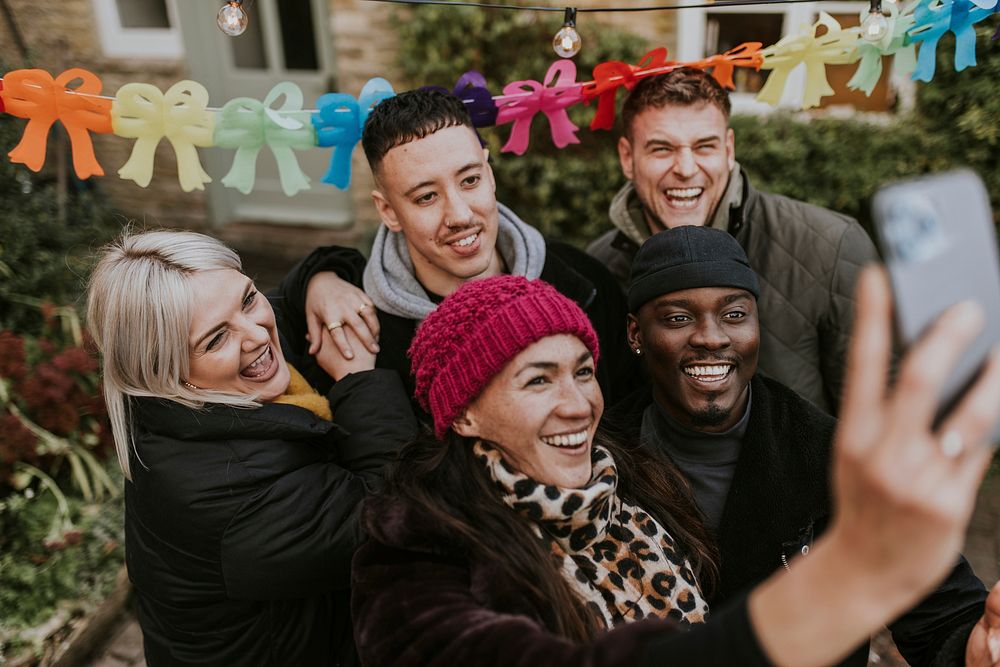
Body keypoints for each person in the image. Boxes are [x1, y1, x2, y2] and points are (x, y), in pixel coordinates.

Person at [351, 270, 1000, 666]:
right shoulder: (416, 545)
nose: (579, 404)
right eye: (537, 380)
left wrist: (971, 650)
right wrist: (836, 584)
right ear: (464, 415)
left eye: (582, 371)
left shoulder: (636, 483)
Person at [604, 225, 999, 666]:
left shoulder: (830, 453)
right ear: (636, 334)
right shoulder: (601, 459)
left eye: (734, 315)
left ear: (757, 325)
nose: (711, 337)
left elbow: (941, 609)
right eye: (678, 318)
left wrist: (975, 646)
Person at [86, 229, 417, 666]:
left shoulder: (187, 393)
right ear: (168, 371)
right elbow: (396, 513)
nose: (257, 333)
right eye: (216, 338)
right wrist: (359, 381)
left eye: (246, 298)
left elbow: (287, 302)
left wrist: (324, 280)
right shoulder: (227, 492)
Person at [272, 89, 636, 407]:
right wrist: (316, 278)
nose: (459, 215)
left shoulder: (582, 282)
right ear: (388, 211)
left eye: (470, 180)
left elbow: (628, 417)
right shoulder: (358, 333)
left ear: (490, 175)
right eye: (426, 197)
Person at [587, 67, 879, 413]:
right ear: (627, 157)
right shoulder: (599, 270)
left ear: (728, 148)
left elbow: (879, 417)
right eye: (662, 149)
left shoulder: (830, 248)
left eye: (704, 146)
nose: (685, 168)